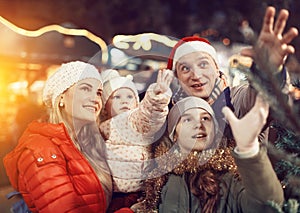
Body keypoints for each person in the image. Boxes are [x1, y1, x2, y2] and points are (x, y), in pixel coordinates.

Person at [3, 61, 132, 213]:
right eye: (85, 89)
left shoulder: (91, 144)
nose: (95, 99)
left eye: (98, 93)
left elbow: (99, 203)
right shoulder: (40, 149)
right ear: (61, 98)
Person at [166, 6, 298, 142]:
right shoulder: (169, 113)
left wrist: (268, 72)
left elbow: (261, 102)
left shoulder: (235, 100)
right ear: (177, 77)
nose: (196, 75)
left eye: (203, 64)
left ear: (217, 69)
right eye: (185, 68)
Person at [141, 95, 284, 212]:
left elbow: (268, 207)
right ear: (174, 134)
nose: (198, 124)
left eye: (205, 118)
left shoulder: (230, 177)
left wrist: (249, 151)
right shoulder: (159, 178)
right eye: (187, 119)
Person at [99, 68, 173, 212]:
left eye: (129, 96)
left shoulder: (136, 122)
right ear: (105, 107)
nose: (124, 101)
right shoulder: (101, 128)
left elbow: (149, 115)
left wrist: (156, 98)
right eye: (117, 97)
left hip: (139, 195)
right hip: (112, 196)